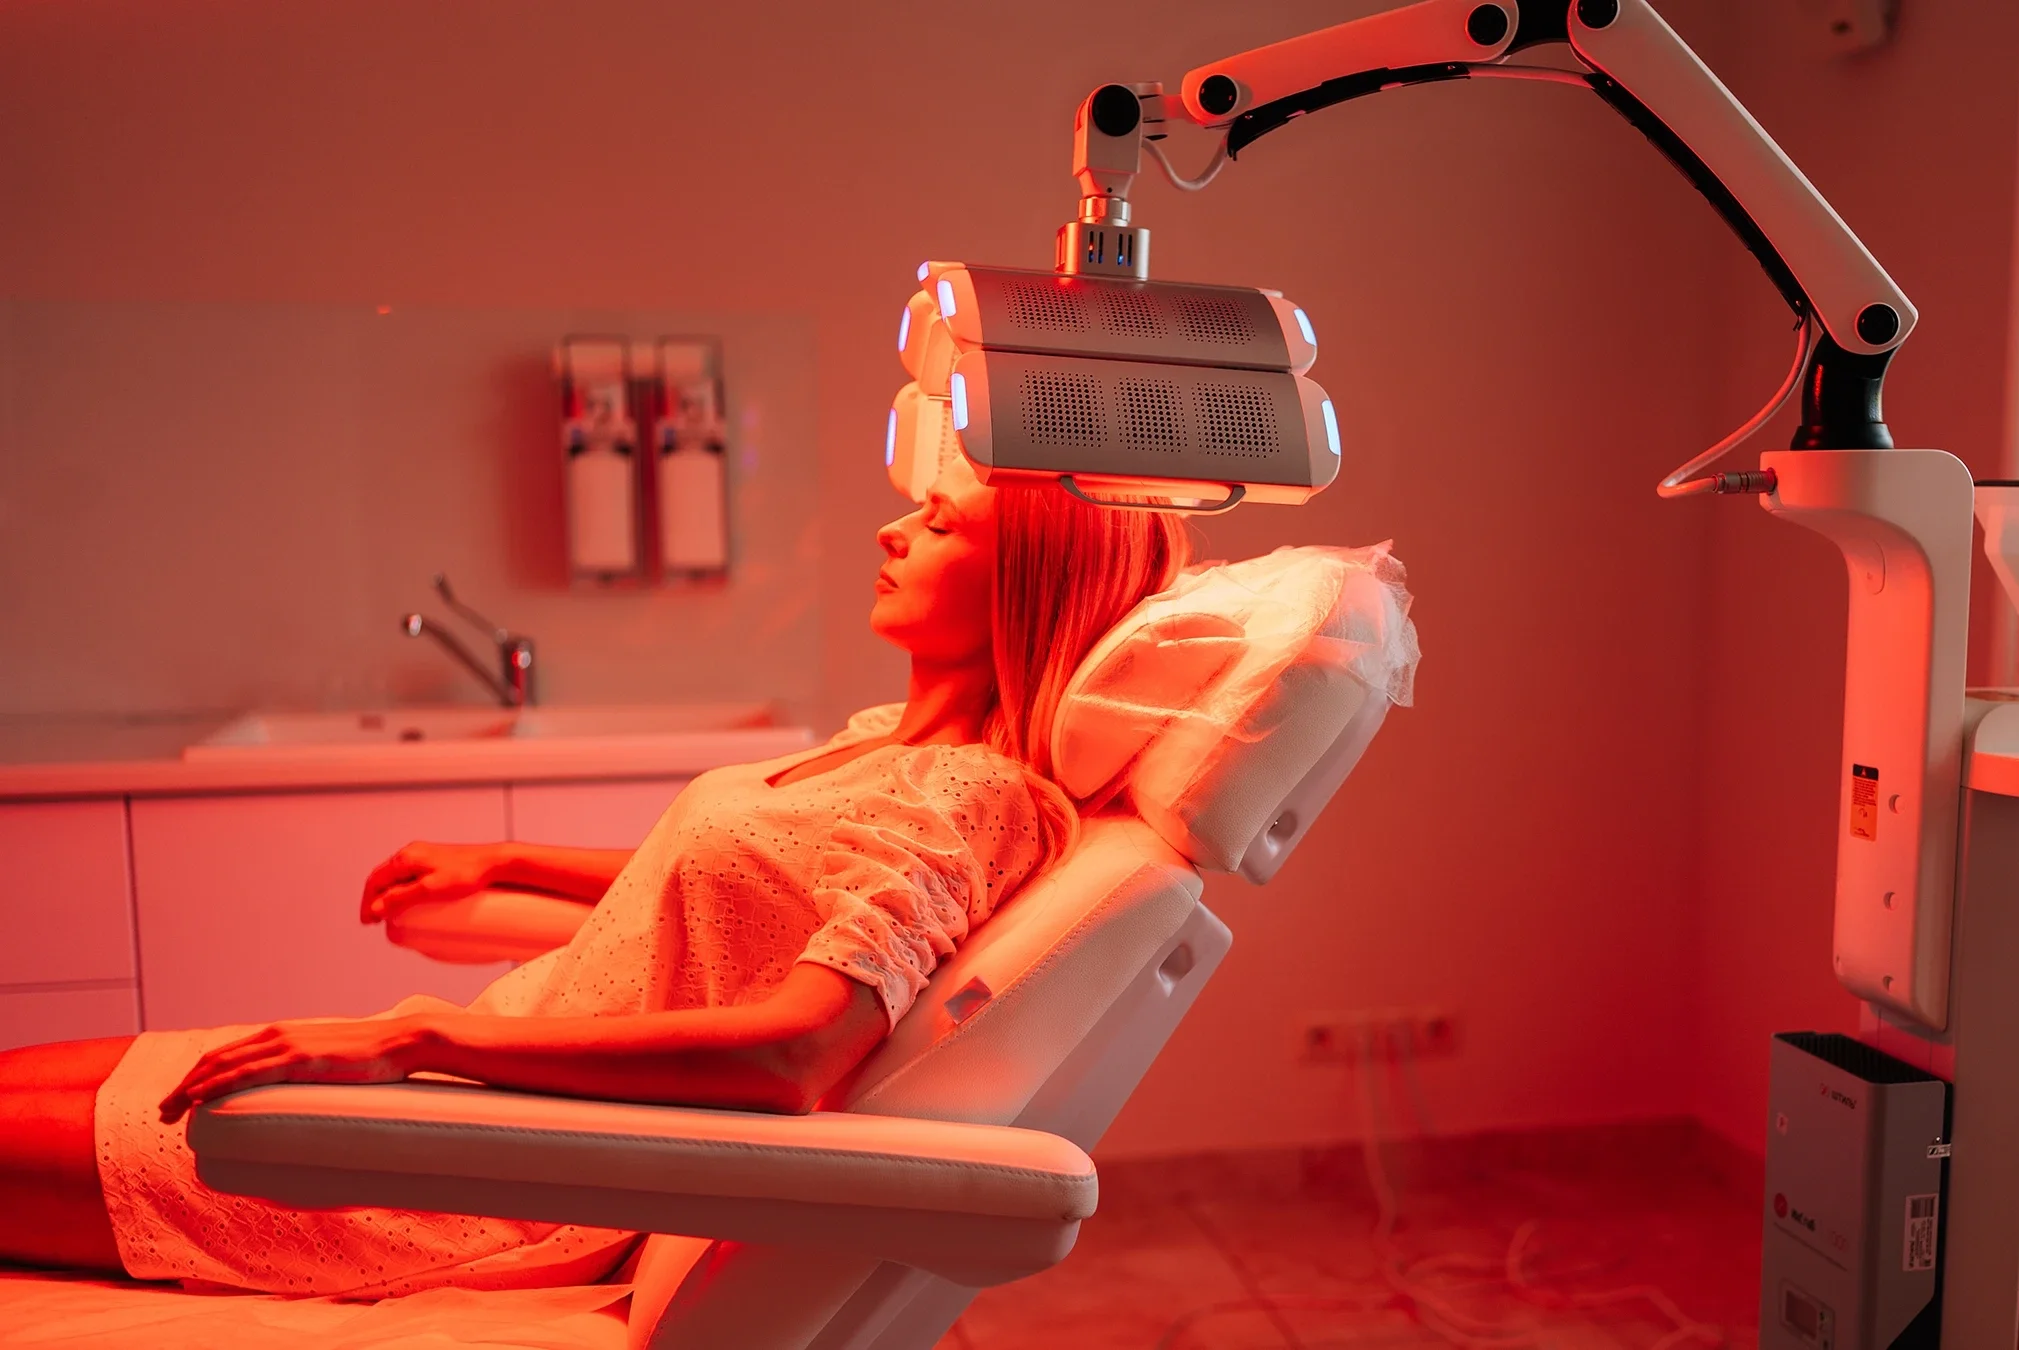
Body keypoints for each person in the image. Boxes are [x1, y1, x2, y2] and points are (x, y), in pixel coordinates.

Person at [0, 458, 1190, 1295]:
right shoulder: (893, 740)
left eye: (936, 525)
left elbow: (795, 1056)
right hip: (454, 1091)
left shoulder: (969, 798)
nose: (891, 533)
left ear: (1020, 582)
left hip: (473, 1174)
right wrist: (511, 858)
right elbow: (741, 899)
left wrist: (420, 1045)